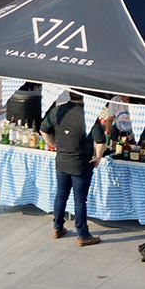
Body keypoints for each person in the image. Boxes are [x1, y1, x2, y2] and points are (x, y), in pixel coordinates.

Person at [40, 93, 108, 246]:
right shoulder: (88, 114)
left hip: (62, 161)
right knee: (80, 200)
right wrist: (98, 156)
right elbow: (101, 140)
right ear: (84, 96)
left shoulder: (57, 110)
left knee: (61, 195)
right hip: (81, 163)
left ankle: (58, 228)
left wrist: (54, 145)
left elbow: (44, 130)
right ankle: (83, 235)